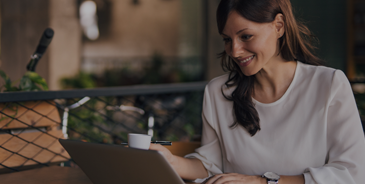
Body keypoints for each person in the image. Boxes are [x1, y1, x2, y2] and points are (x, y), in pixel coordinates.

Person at [150, 0, 365, 183]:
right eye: (227, 39)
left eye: (245, 37)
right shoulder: (218, 92)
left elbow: (351, 174)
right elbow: (211, 164)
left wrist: (264, 181)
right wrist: (169, 161)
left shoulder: (329, 84)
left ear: (279, 26)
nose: (234, 51)